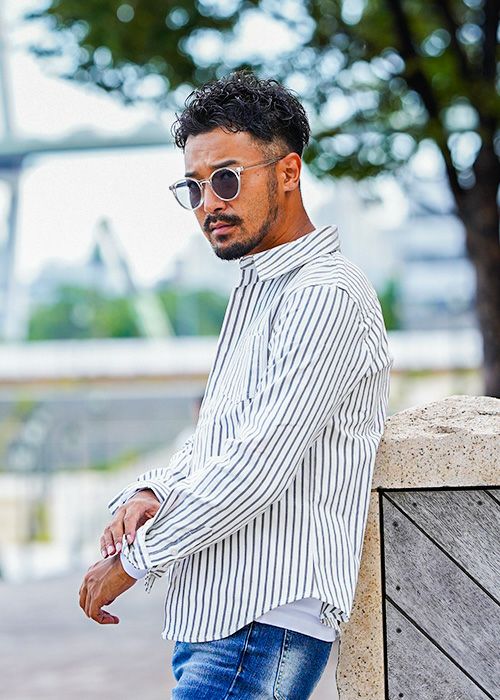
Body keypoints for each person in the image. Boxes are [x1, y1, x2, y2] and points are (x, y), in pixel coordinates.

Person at [79, 71, 393, 699]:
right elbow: (221, 438)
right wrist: (154, 489)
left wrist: (134, 562)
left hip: (264, 621)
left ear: (288, 172)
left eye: (225, 179)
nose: (209, 204)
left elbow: (258, 466)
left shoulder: (325, 294)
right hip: (221, 616)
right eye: (194, 187)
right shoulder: (260, 289)